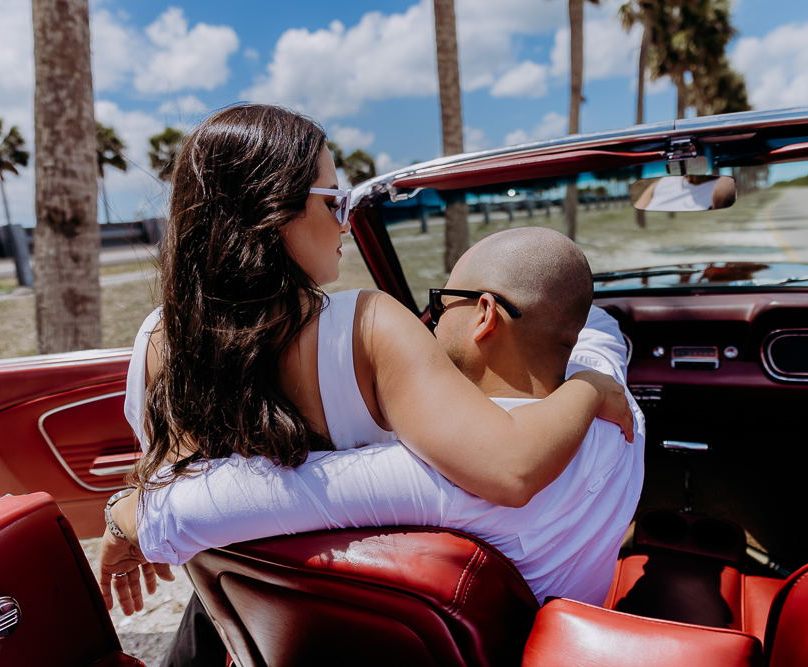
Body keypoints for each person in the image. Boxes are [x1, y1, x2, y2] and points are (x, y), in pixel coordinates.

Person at [97, 104, 633, 612]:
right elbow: (511, 470)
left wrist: (130, 516)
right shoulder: (367, 327)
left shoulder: (152, 344)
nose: (346, 223)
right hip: (383, 624)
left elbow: (181, 488)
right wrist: (587, 387)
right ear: (272, 209)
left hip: (256, 621)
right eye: (333, 201)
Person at [106, 227, 645, 666]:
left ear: (484, 315)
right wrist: (586, 384)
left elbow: (196, 507)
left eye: (441, 302)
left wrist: (121, 518)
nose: (426, 320)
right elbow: (597, 327)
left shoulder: (437, 480)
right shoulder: (621, 412)